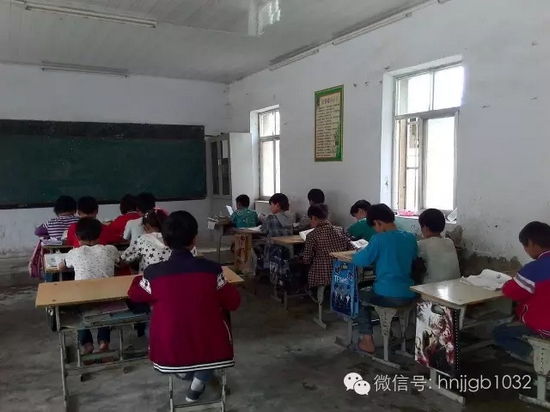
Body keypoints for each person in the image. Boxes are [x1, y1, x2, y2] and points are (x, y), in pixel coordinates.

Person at [127, 211, 241, 403]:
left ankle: (185, 372)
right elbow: (233, 302)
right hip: (210, 349)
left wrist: (140, 279)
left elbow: (135, 294)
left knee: (155, 327)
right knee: (212, 336)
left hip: (168, 352)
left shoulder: (154, 273)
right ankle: (197, 383)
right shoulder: (212, 270)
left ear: (164, 241)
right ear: (195, 239)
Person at [351, 204, 418, 354]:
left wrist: (357, 254)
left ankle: (367, 341)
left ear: (377, 222)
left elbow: (361, 260)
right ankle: (393, 335)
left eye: (374, 227)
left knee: (357, 296)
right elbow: (413, 258)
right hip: (409, 293)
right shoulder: (410, 237)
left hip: (387, 294)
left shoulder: (378, 239)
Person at [58, 218, 120, 354]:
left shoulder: (74, 252)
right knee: (103, 308)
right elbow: (119, 261)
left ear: (77, 236)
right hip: (109, 299)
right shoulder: (111, 249)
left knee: (77, 310)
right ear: (100, 234)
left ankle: (87, 344)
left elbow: (61, 267)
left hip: (83, 299)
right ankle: (104, 342)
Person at [493, 221, 550, 363]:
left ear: (530, 243)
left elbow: (512, 292)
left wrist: (509, 282)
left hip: (545, 327)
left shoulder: (534, 268)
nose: (526, 250)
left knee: (499, 332)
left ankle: (539, 360)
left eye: (525, 246)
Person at [302, 204, 352, 294]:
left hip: (322, 275)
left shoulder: (312, 235)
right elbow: (351, 248)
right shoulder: (341, 230)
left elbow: (306, 259)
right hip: (342, 272)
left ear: (314, 218)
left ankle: (308, 291)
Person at [417, 208, 460, 284]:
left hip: (432, 287)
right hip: (454, 284)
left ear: (425, 228)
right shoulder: (450, 242)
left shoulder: (422, 244)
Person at [259, 193, 295, 268]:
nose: (270, 207)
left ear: (277, 205)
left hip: (273, 250)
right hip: (288, 250)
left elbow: (263, 231)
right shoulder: (291, 216)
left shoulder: (271, 218)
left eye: (271, 205)